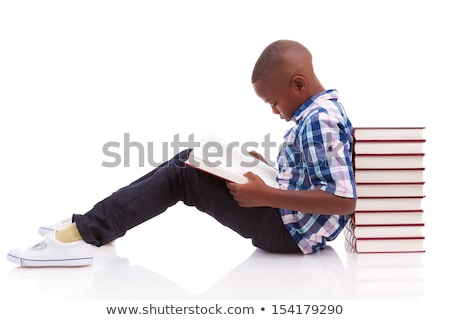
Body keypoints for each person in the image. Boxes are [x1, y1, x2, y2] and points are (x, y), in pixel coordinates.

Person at [7, 40, 357, 267]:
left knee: (183, 174)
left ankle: (85, 235)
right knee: (189, 159)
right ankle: (97, 225)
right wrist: (268, 169)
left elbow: (342, 200)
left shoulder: (319, 121)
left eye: (275, 102)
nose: (275, 111)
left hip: (288, 234)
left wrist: (264, 194)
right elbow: (315, 175)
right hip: (286, 219)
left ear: (298, 84)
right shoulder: (319, 113)